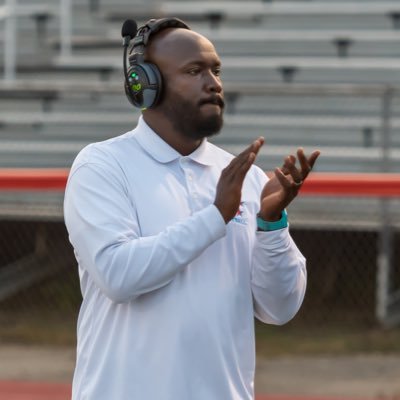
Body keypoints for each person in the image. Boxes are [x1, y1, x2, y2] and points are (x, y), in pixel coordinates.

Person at [64, 17, 320, 400]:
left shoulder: (242, 177)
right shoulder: (101, 166)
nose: (213, 83)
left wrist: (271, 224)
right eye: (194, 70)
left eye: (216, 70)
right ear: (146, 84)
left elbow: (279, 308)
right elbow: (118, 275)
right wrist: (215, 217)